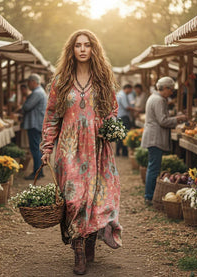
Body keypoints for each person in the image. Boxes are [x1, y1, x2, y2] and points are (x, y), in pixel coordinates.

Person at [40, 29, 122, 275]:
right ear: (72, 50)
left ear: (94, 49)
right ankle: (78, 251)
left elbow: (113, 110)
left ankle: (90, 241)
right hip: (69, 148)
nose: (83, 49)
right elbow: (52, 116)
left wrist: (110, 127)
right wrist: (47, 147)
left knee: (96, 199)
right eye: (78, 45)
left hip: (98, 148)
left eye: (87, 45)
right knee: (74, 199)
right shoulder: (60, 82)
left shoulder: (103, 80)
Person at [140, 77, 187, 206]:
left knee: (152, 166)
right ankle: (149, 196)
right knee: (154, 168)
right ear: (165, 88)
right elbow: (163, 121)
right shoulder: (159, 100)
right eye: (171, 90)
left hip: (153, 136)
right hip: (155, 137)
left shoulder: (153, 97)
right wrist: (178, 119)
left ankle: (149, 195)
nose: (172, 92)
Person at [21, 74, 47, 180]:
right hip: (37, 123)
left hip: (34, 124)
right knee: (38, 148)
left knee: (35, 149)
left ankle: (37, 172)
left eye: (28, 82)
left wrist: (24, 103)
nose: (28, 85)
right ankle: (40, 171)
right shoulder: (40, 92)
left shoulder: (37, 93)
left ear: (33, 81)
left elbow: (27, 106)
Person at [116, 84, 136, 156]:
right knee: (124, 135)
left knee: (120, 134)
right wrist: (136, 109)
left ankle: (118, 151)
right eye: (131, 90)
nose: (131, 91)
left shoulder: (119, 94)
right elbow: (126, 107)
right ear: (127, 88)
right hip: (123, 117)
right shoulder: (123, 95)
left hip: (119, 116)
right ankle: (124, 152)